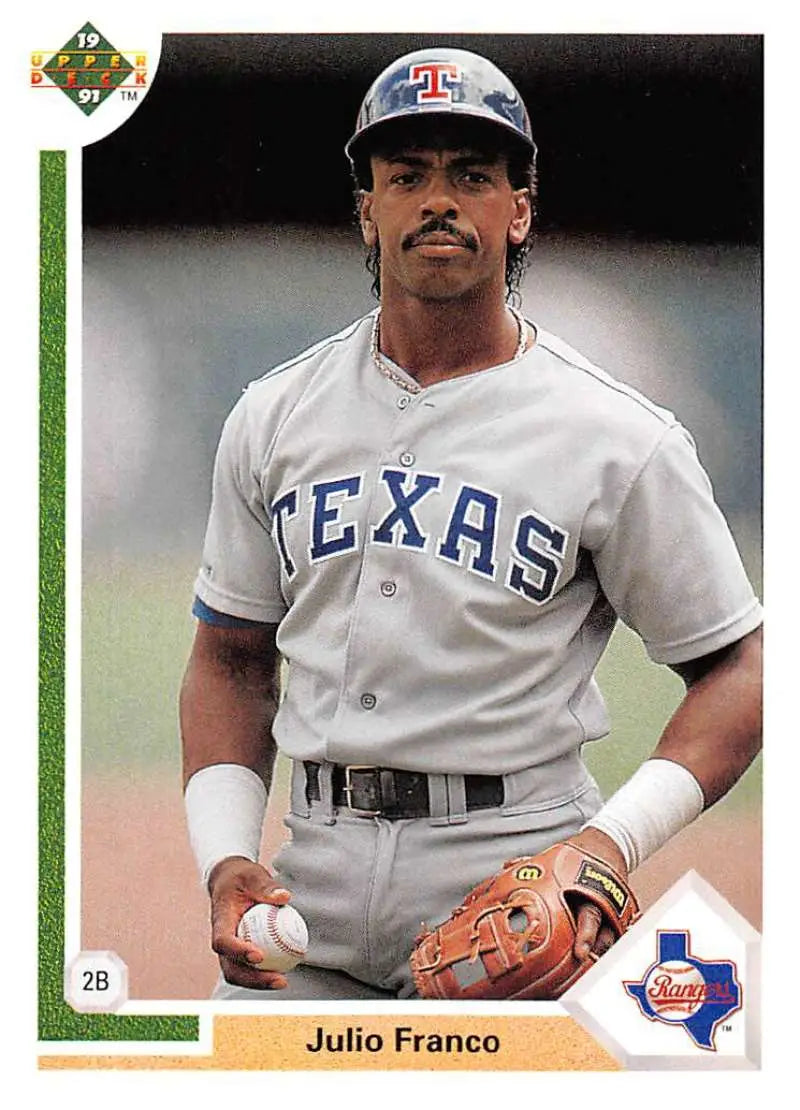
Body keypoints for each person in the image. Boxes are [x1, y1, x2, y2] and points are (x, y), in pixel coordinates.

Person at [180, 47, 763, 1001]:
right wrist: (223, 858)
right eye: (406, 175)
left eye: (473, 175)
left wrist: (608, 846)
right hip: (308, 901)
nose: (437, 199)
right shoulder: (273, 414)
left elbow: (740, 668)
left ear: (519, 209)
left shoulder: (616, 436)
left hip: (516, 896)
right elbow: (232, 658)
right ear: (367, 209)